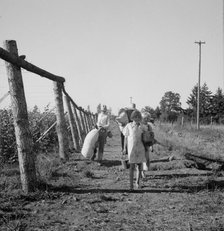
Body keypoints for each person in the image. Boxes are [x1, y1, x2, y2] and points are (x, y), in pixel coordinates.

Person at [123, 110, 146, 190]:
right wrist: (124, 148)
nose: (136, 118)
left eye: (138, 117)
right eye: (135, 117)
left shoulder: (142, 126)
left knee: (140, 166)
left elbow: (146, 137)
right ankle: (131, 186)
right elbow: (125, 137)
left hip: (140, 148)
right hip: (131, 149)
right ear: (132, 117)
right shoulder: (128, 126)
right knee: (132, 166)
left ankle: (138, 183)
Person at [141, 112, 154, 178]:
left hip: (147, 144)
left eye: (147, 118)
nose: (146, 119)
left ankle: (144, 171)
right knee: (141, 159)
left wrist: (151, 146)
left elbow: (151, 136)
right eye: (144, 118)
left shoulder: (149, 126)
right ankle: (141, 172)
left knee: (147, 159)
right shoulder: (140, 125)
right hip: (140, 144)